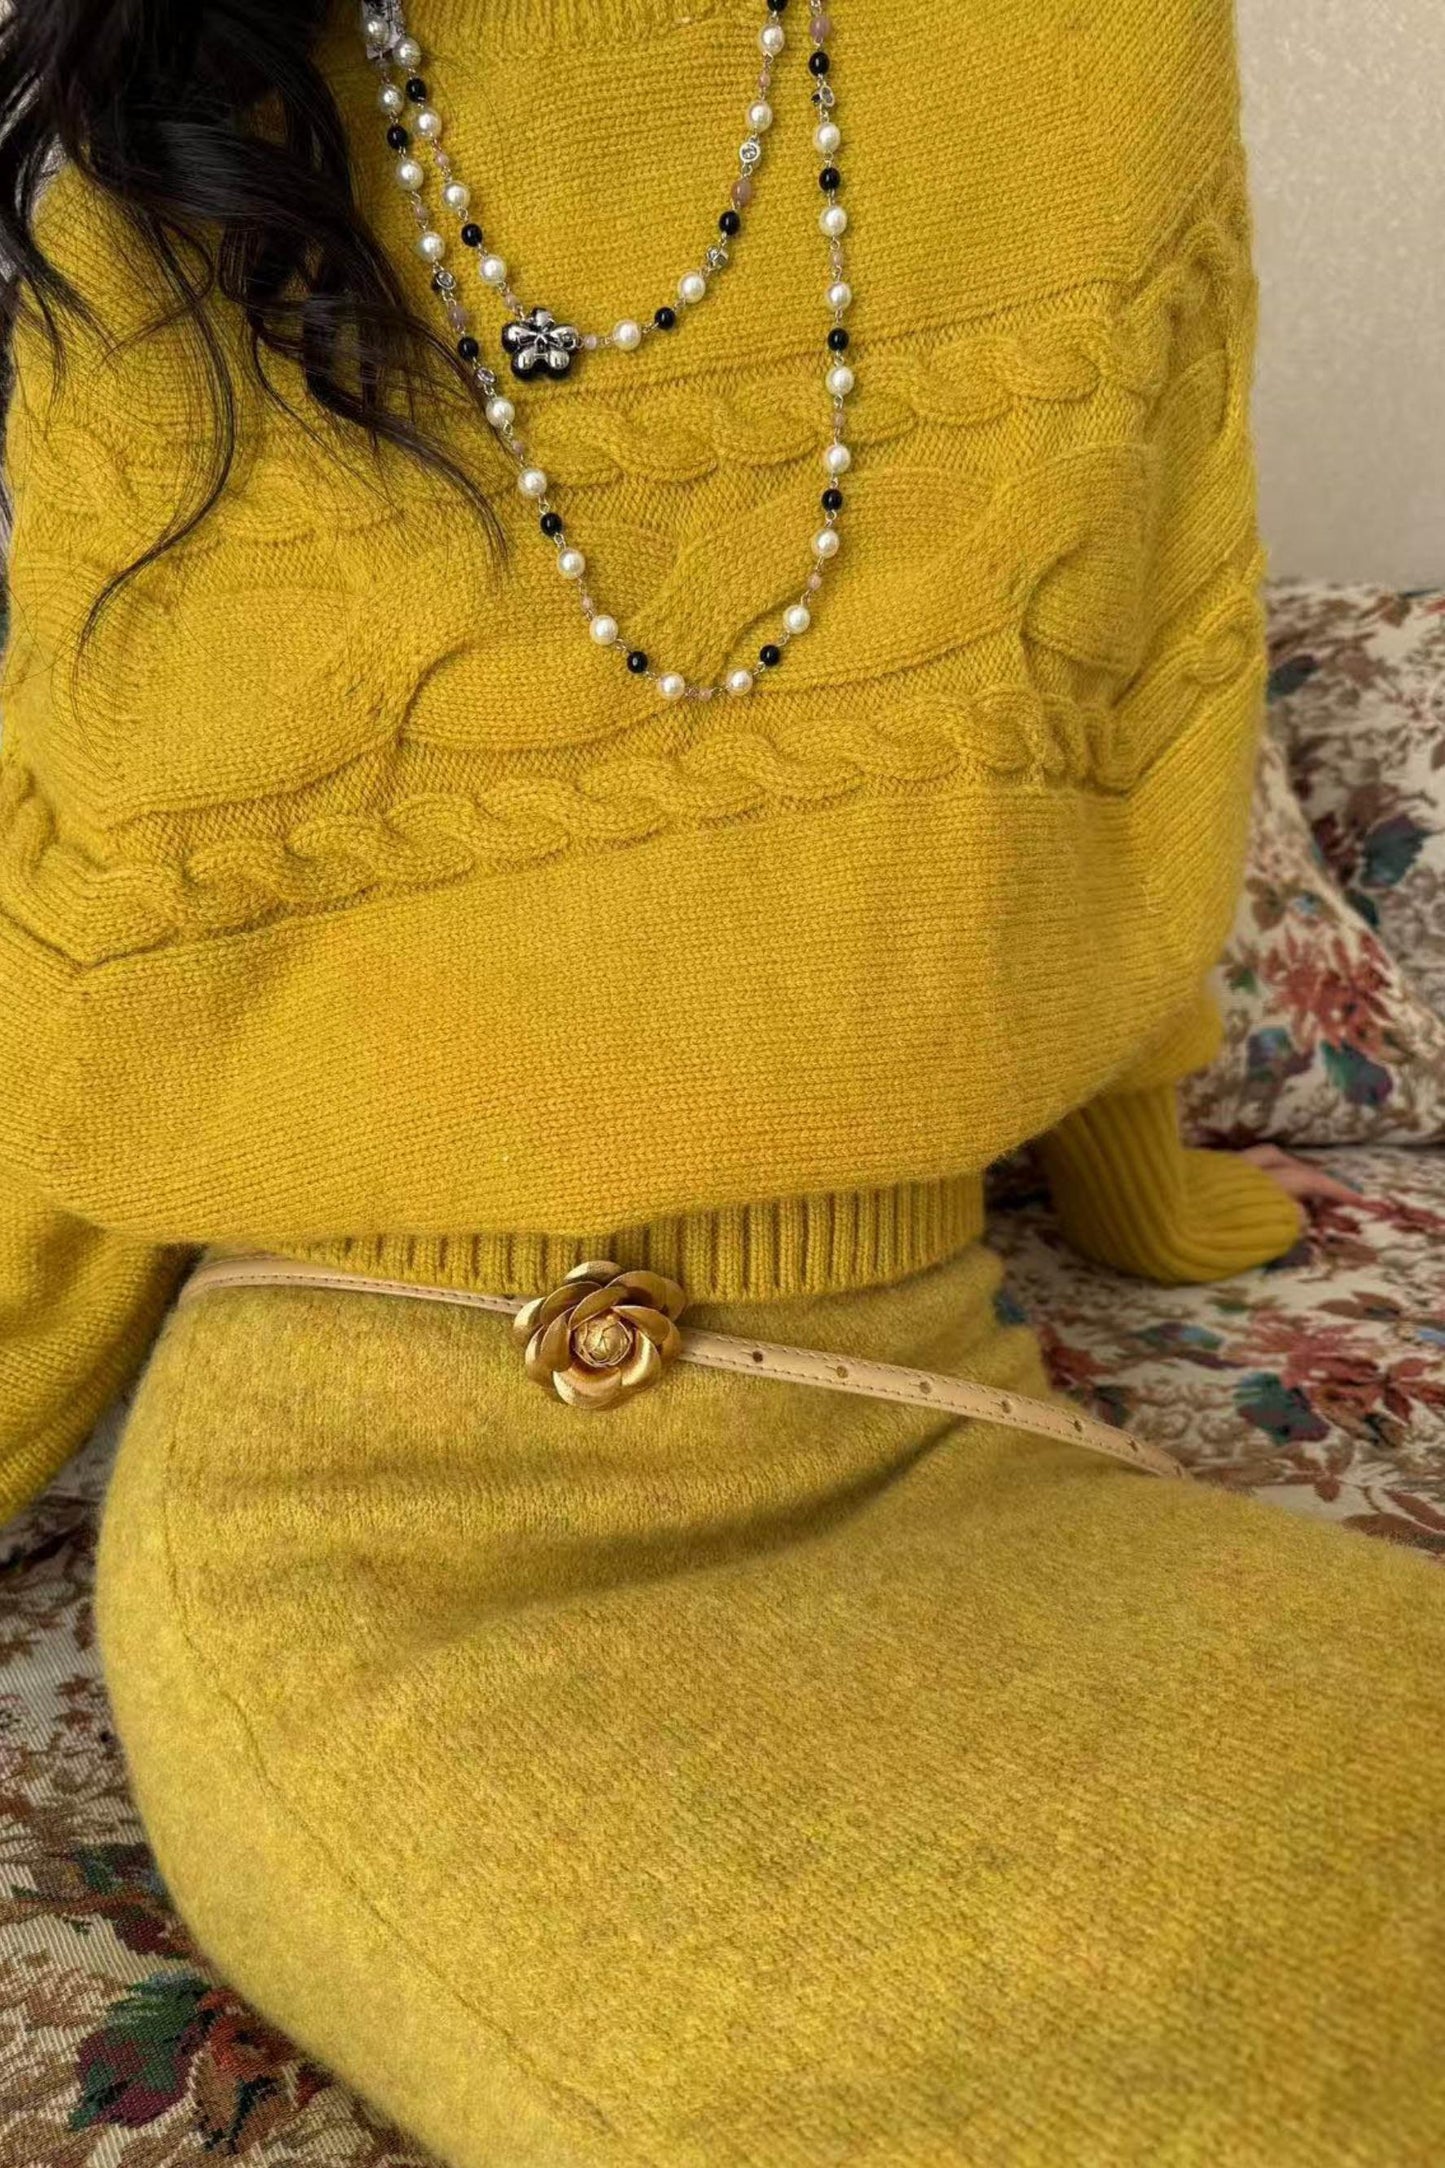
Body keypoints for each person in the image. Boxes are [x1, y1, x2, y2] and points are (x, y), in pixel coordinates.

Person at [0, 0, 1441, 2160]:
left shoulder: (1090, 42)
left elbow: (1152, 664)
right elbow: (106, 926)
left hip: (928, 1417)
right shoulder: (187, 103)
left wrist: (1136, 1164)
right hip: (368, 1510)